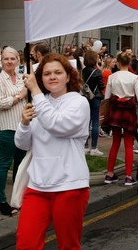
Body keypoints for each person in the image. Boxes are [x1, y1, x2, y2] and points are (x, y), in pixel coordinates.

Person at [16, 53, 90, 248]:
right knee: (26, 243)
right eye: (47, 73)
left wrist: (36, 92)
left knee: (68, 245)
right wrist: (24, 124)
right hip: (37, 186)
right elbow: (23, 145)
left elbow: (57, 125)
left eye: (58, 72)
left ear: (68, 76)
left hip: (69, 186)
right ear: (41, 78)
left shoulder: (79, 103)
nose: (52, 77)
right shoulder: (39, 102)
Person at [0, 47, 28, 215]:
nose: (9, 61)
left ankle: (17, 199)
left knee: (20, 165)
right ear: (1, 61)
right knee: (4, 163)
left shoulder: (21, 79)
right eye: (6, 59)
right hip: (6, 127)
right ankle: (0, 201)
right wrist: (19, 96)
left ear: (17, 61)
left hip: (23, 127)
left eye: (12, 59)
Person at [103, 52, 138, 186]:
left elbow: (106, 98)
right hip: (128, 110)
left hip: (115, 109)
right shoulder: (134, 78)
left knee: (115, 142)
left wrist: (103, 116)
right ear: (129, 63)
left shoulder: (112, 76)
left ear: (117, 63)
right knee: (129, 143)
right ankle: (128, 176)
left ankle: (109, 174)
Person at [82, 50, 105, 156]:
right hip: (95, 98)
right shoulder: (97, 72)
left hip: (85, 98)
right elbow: (102, 86)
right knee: (95, 123)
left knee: (86, 122)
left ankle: (85, 146)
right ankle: (94, 148)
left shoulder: (83, 71)